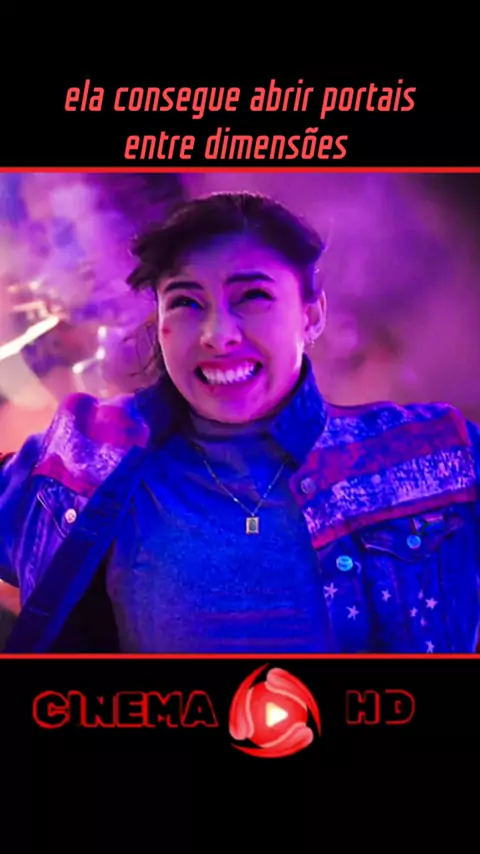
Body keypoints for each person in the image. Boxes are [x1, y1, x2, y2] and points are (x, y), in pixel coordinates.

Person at [0, 191, 479, 654]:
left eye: (252, 296)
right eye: (186, 302)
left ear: (311, 315)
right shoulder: (80, 455)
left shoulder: (434, 456)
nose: (218, 335)